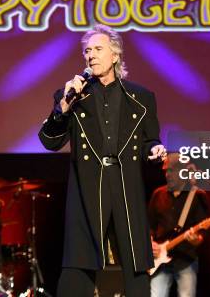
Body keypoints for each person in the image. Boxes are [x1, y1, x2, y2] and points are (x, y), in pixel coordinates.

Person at [39, 24, 167, 297]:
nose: (91, 55)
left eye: (98, 49)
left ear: (115, 55)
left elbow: (149, 141)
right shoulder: (72, 96)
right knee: (79, 262)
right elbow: (49, 141)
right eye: (87, 50)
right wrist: (62, 108)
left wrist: (154, 150)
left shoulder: (141, 98)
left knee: (135, 262)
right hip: (88, 186)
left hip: (125, 184)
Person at [148, 153, 210, 297]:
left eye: (172, 170)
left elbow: (203, 233)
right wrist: (150, 244)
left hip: (186, 259)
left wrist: (196, 239)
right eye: (166, 171)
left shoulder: (198, 195)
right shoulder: (158, 194)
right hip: (160, 261)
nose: (168, 174)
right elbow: (149, 226)